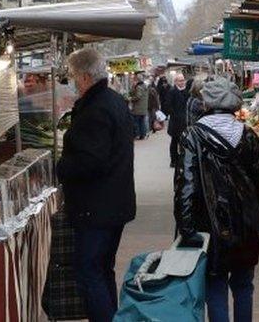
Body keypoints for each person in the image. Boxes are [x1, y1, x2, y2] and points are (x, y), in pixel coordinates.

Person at [175, 77, 259, 322]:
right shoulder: (248, 135)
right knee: (243, 286)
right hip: (245, 223)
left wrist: (186, 227)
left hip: (208, 224)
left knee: (214, 287)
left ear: (206, 103)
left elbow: (185, 184)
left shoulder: (192, 136)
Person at [57, 47, 136, 322]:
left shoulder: (96, 108)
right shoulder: (112, 101)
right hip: (113, 203)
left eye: (74, 76)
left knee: (90, 272)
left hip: (97, 207)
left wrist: (62, 167)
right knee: (103, 270)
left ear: (86, 77)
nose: (73, 81)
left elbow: (92, 161)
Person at [165, 73, 191, 167]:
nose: (182, 82)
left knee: (184, 142)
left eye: (183, 80)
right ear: (175, 81)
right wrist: (175, 114)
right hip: (175, 122)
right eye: (180, 80)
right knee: (174, 141)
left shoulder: (187, 91)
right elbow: (168, 106)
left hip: (185, 121)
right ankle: (174, 160)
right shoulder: (172, 91)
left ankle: (183, 160)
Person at [129, 72, 149, 140]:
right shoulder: (145, 86)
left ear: (137, 80)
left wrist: (131, 99)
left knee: (136, 122)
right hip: (143, 108)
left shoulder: (138, 87)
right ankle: (142, 135)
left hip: (137, 108)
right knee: (142, 122)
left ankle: (137, 135)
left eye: (134, 79)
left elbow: (138, 96)